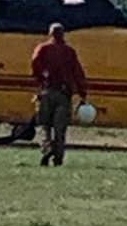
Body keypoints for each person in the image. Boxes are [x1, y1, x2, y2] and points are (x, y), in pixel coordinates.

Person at [30, 22, 88, 166]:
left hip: (47, 91)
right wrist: (82, 93)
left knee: (44, 125)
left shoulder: (43, 48)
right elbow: (78, 73)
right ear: (63, 34)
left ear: (50, 33)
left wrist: (41, 77)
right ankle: (58, 157)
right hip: (64, 94)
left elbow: (35, 62)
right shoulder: (70, 51)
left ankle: (47, 148)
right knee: (60, 128)